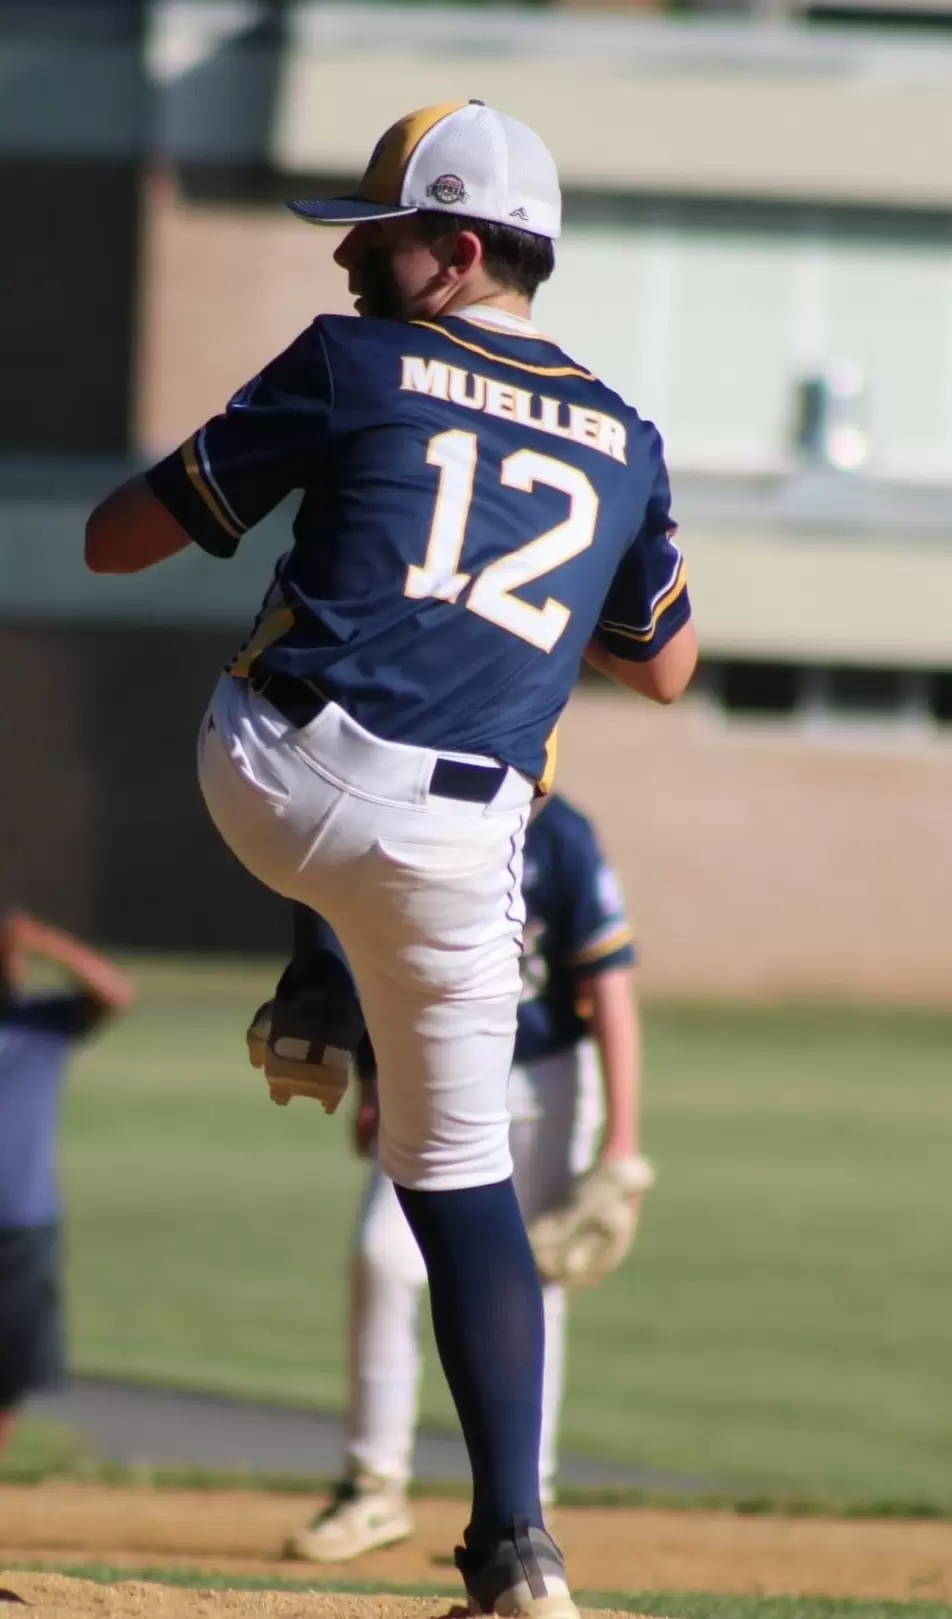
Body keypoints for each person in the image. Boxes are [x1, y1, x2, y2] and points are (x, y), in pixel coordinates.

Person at [85, 98, 696, 1618]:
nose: (350, 259)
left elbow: (115, 542)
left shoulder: (353, 361)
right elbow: (668, 665)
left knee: (315, 613)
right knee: (461, 1180)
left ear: (461, 249)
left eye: (382, 234)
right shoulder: (627, 435)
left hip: (271, 775)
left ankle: (315, 979)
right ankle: (517, 1551)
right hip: (455, 849)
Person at [268, 792, 647, 1562]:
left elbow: (609, 989)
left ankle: (524, 1506)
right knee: (382, 1255)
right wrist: (376, 1082)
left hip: (545, 1080)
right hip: (436, 1065)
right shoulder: (430, 808)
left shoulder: (563, 836)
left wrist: (622, 1145)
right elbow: (389, 957)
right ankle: (373, 1488)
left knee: (537, 1276)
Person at [0, 911, 135, 1461]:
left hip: (24, 1221)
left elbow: (116, 993)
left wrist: (39, 940)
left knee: (11, 1367)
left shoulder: (43, 1021)